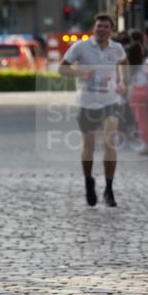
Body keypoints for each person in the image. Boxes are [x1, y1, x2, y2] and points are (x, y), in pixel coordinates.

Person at [58, 14, 127, 208]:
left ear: (111, 30)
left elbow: (124, 63)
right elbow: (62, 69)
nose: (102, 29)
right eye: (99, 26)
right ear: (93, 28)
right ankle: (89, 181)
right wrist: (81, 73)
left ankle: (109, 188)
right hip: (87, 102)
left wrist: (123, 82)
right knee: (88, 147)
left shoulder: (117, 48)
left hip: (109, 101)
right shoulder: (80, 47)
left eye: (106, 26)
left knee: (109, 141)